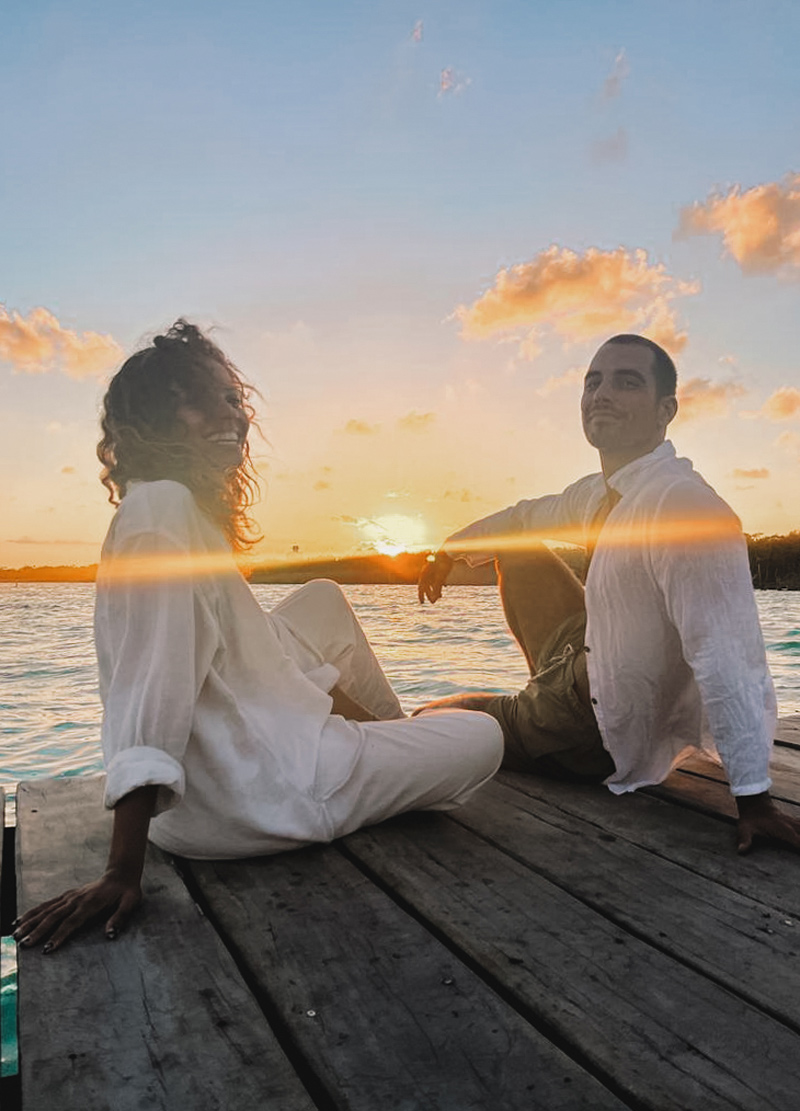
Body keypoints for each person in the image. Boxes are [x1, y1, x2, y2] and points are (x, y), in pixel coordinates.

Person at [14, 320, 502, 953]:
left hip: (213, 794)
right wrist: (119, 871)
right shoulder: (161, 513)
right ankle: (371, 753)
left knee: (322, 600)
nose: (234, 416)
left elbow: (252, 648)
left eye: (233, 401)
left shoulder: (170, 510)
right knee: (483, 735)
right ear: (159, 416)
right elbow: (149, 681)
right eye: (205, 398)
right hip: (258, 800)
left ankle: (378, 742)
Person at [417, 333, 800, 855]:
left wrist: (753, 798)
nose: (601, 393)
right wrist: (449, 552)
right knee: (521, 545)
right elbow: (525, 516)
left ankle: (523, 717)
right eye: (593, 381)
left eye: (626, 381)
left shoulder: (684, 508)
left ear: (667, 409)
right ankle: (540, 689)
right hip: (585, 652)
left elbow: (727, 654)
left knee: (436, 716)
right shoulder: (603, 492)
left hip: (591, 723)